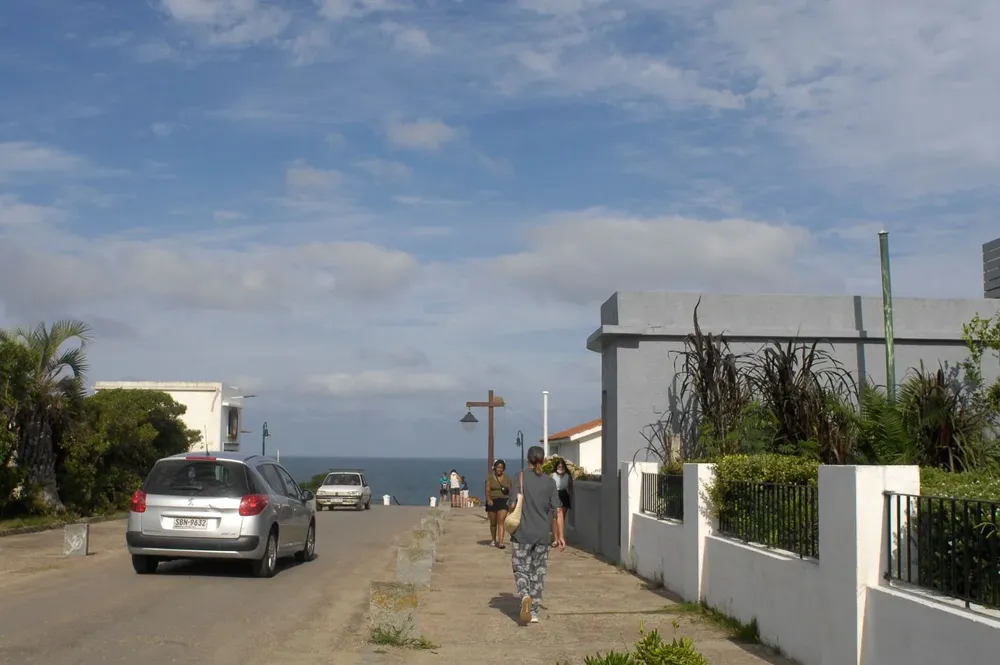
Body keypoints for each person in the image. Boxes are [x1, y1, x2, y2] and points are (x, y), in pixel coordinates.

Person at [509, 446, 562, 625]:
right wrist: (559, 536)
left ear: (528, 459)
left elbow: (512, 504)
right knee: (538, 573)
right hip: (542, 535)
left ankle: (525, 595)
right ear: (543, 460)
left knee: (521, 568)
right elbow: (557, 511)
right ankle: (534, 612)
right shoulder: (550, 482)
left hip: (521, 534)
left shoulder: (520, 477)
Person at [485, 459, 512, 548]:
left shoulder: (507, 478)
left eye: (501, 468)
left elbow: (511, 490)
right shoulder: (490, 477)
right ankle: (493, 539)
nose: (499, 469)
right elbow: (487, 489)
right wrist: (488, 499)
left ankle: (501, 542)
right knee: (493, 522)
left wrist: (511, 501)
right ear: (495, 467)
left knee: (501, 521)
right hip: (492, 500)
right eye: (498, 467)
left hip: (503, 500)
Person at [551, 458, 573, 548]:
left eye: (562, 466)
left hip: (564, 495)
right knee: (555, 518)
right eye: (559, 466)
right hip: (555, 494)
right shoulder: (552, 475)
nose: (560, 468)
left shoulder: (568, 476)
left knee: (561, 518)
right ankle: (555, 539)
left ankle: (561, 537)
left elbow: (571, 488)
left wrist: (571, 498)